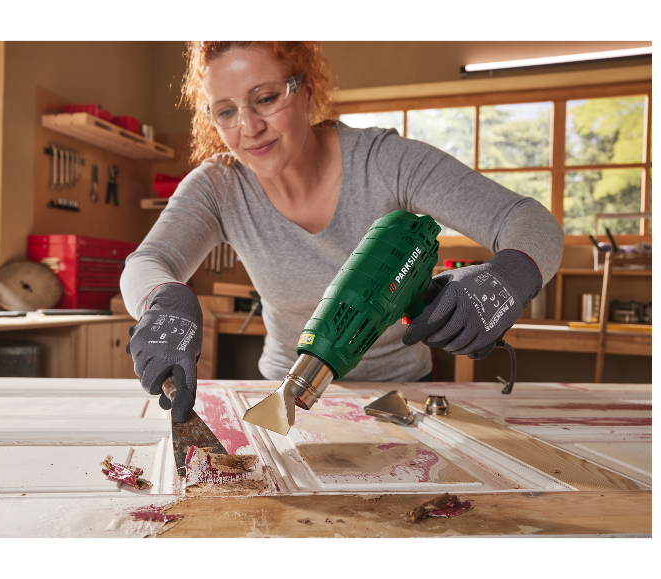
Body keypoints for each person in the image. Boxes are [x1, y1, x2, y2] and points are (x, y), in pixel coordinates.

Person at [121, 40, 564, 423]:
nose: (249, 128)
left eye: (266, 98)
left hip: (401, 394)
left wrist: (504, 279)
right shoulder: (219, 186)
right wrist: (163, 300)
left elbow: (532, 224)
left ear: (306, 91)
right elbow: (146, 261)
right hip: (281, 397)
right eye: (226, 111)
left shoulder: (384, 162)